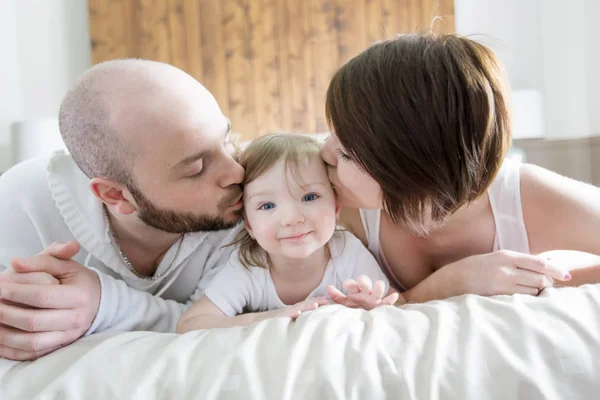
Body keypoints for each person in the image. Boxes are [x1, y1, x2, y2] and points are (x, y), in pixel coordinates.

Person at [320, 33, 600, 306]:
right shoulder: (333, 203)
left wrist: (540, 280)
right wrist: (451, 283)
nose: (324, 154)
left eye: (345, 153)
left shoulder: (524, 196)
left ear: (411, 167)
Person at [0, 59, 246, 360]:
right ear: (116, 195)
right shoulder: (19, 203)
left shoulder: (256, 202)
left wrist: (104, 305)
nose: (236, 172)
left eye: (226, 140)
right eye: (196, 168)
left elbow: (214, 322)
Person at [177, 134, 400, 332]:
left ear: (336, 208)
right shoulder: (249, 267)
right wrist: (268, 318)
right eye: (267, 206)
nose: (292, 218)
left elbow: (399, 304)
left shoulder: (346, 251)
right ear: (249, 226)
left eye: (310, 197)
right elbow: (190, 324)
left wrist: (370, 308)